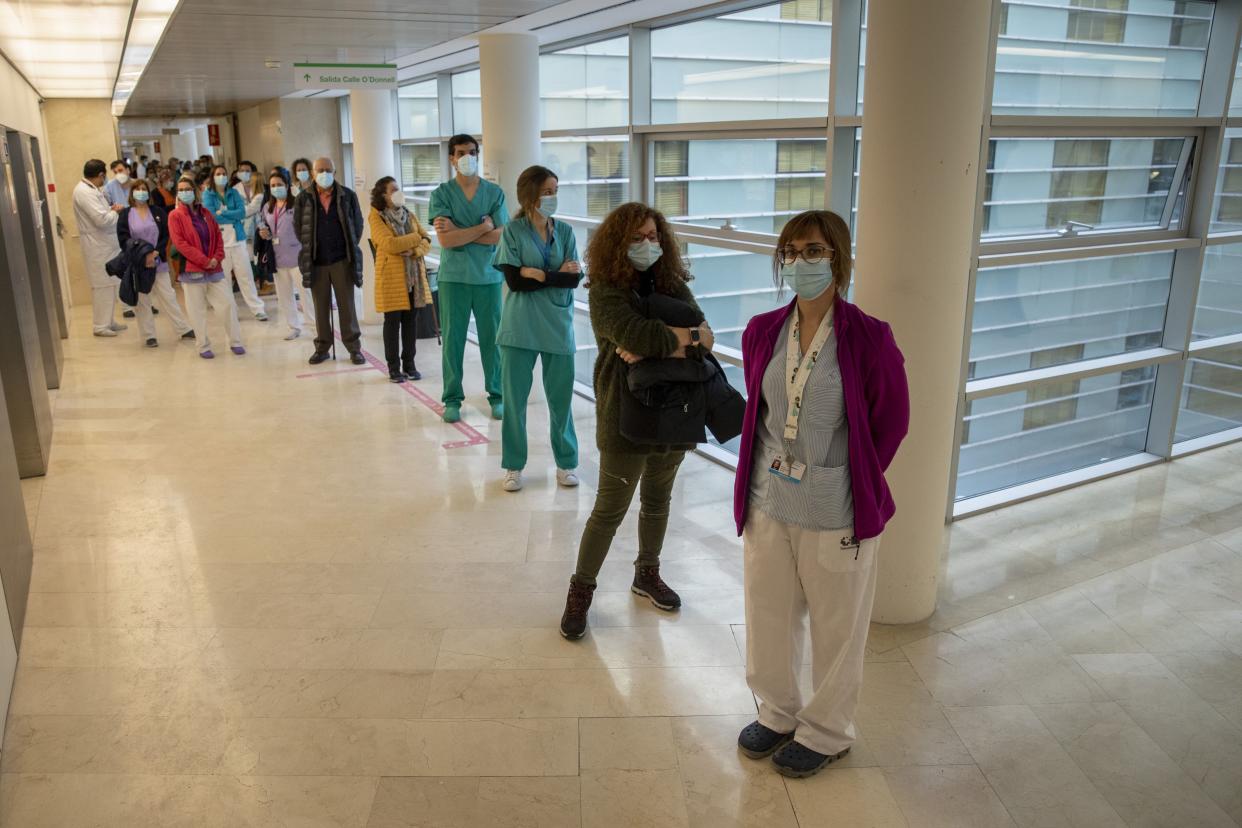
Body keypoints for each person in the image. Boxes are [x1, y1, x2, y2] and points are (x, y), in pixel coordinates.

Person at [733, 210, 909, 779]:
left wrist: (849, 474)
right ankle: (778, 712)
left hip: (834, 505)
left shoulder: (868, 336)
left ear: (837, 257)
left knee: (838, 625)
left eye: (813, 251)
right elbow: (763, 412)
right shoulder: (763, 329)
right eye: (790, 251)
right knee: (767, 613)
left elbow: (891, 422)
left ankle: (828, 730)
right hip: (769, 498)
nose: (799, 262)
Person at [559, 202, 714, 640]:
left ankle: (647, 573)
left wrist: (669, 343)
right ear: (617, 244)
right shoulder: (605, 289)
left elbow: (708, 335)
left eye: (653, 237)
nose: (648, 245)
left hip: (676, 410)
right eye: (637, 238)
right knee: (609, 510)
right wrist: (681, 339)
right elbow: (636, 336)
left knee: (659, 501)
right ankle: (580, 591)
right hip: (624, 414)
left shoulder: (672, 282)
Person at [492, 165, 582, 493]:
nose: (553, 197)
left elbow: (573, 279)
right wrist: (553, 272)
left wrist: (540, 274)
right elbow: (515, 282)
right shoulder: (513, 232)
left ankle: (566, 462)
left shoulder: (567, 233)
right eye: (547, 191)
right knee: (514, 401)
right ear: (530, 195)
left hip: (558, 325)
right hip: (519, 328)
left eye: (555, 190)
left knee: (561, 401)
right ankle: (514, 466)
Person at [429, 134, 507, 423]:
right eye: (461, 152)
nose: (467, 157)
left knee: (492, 340)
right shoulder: (441, 194)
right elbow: (446, 242)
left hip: (487, 277)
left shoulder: (494, 193)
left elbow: (501, 236)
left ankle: (497, 395)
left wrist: (461, 231)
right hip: (454, 278)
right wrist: (482, 227)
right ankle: (452, 398)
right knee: (453, 341)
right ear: (451, 158)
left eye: (472, 152)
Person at [293, 156, 365, 366]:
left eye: (328, 170)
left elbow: (357, 225)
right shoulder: (303, 198)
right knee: (320, 307)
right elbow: (299, 228)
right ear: (313, 174)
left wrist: (347, 246)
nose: (324, 174)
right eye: (320, 170)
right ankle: (322, 347)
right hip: (316, 261)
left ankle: (354, 349)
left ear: (334, 172)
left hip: (342, 260)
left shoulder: (348, 196)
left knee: (347, 307)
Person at [168, 177, 246, 359]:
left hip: (214, 269)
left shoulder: (205, 213)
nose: (185, 192)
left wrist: (216, 258)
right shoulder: (175, 216)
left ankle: (235, 342)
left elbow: (218, 236)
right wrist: (203, 260)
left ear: (195, 191)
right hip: (193, 269)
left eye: (188, 189)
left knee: (227, 305)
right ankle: (203, 345)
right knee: (197, 311)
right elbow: (180, 243)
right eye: (181, 189)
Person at [116, 179, 194, 347]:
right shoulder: (126, 214)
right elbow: (124, 239)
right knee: (143, 301)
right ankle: (149, 335)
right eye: (138, 189)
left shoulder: (157, 212)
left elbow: (165, 235)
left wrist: (155, 252)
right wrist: (143, 255)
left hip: (158, 261)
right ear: (132, 193)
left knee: (169, 296)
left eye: (144, 189)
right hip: (138, 263)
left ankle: (183, 329)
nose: (141, 192)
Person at [368, 177, 432, 382]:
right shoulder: (377, 217)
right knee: (392, 322)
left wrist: (414, 250)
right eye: (393, 189)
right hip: (392, 279)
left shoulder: (409, 214)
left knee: (410, 322)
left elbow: (427, 239)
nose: (398, 192)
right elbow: (389, 244)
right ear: (383, 195)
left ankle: (410, 365)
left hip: (413, 278)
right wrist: (415, 239)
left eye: (398, 188)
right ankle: (394, 368)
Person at [201, 164, 268, 321]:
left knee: (246, 275)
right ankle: (231, 311)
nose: (222, 176)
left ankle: (257, 309)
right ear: (213, 176)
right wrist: (229, 215)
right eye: (218, 173)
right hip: (220, 243)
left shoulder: (233, 192)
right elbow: (212, 216)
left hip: (238, 239)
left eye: (224, 173)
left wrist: (223, 212)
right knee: (223, 279)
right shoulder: (208, 195)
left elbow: (242, 212)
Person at [72, 159, 127, 337]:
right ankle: (100, 326)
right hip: (96, 245)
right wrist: (115, 212)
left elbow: (101, 214)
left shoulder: (92, 189)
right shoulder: (83, 192)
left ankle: (108, 321)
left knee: (110, 284)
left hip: (105, 244)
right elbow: (101, 220)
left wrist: (110, 209)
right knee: (102, 286)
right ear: (101, 175)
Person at [257, 171, 307, 340]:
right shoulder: (267, 208)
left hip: (297, 256)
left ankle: (315, 326)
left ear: (287, 186)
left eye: (279, 184)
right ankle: (294, 326)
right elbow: (265, 226)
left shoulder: (297, 204)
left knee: (306, 294)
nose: (276, 188)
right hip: (277, 257)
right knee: (284, 296)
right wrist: (264, 233)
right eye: (273, 186)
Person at [233, 160, 272, 296]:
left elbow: (249, 209)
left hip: (258, 227)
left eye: (247, 170)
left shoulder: (260, 192)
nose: (244, 173)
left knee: (259, 255)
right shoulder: (235, 189)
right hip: (245, 228)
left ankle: (264, 282)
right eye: (241, 170)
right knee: (250, 256)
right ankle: (255, 282)